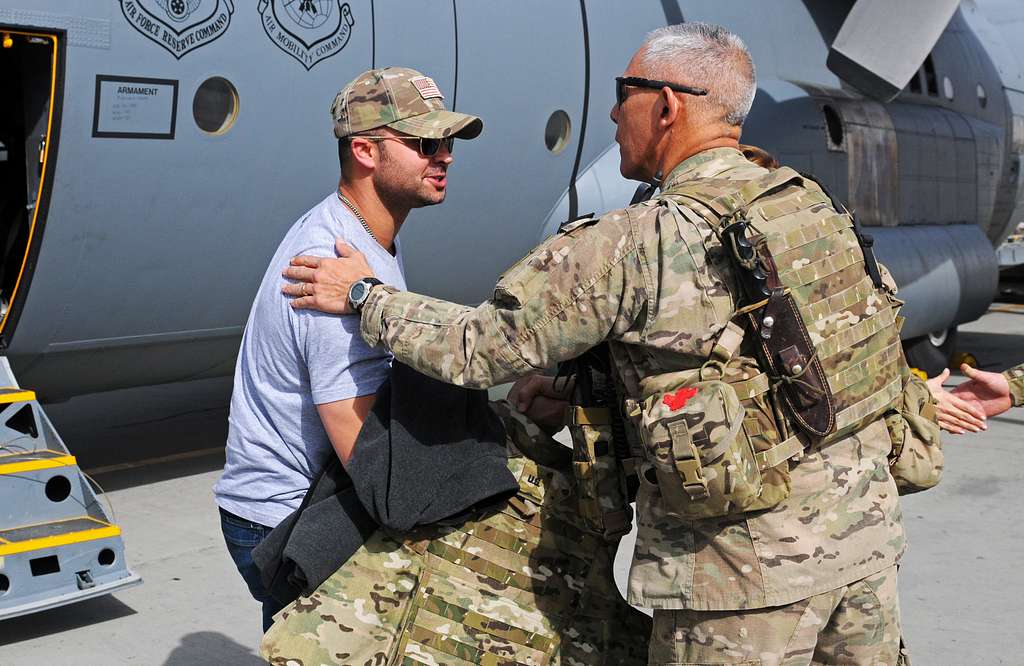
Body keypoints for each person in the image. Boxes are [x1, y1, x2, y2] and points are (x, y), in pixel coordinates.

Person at [283, 22, 937, 665]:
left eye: (624, 92)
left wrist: (365, 296)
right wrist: (579, 394)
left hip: (742, 590)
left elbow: (478, 349)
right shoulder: (811, 210)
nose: (612, 112)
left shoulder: (632, 244)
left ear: (666, 105)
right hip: (864, 558)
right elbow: (774, 361)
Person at [212, 66, 482, 631]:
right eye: (426, 143)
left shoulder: (369, 239)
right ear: (366, 150)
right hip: (289, 520)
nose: (446, 156)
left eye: (448, 142)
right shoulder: (330, 261)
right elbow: (364, 449)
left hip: (305, 501)